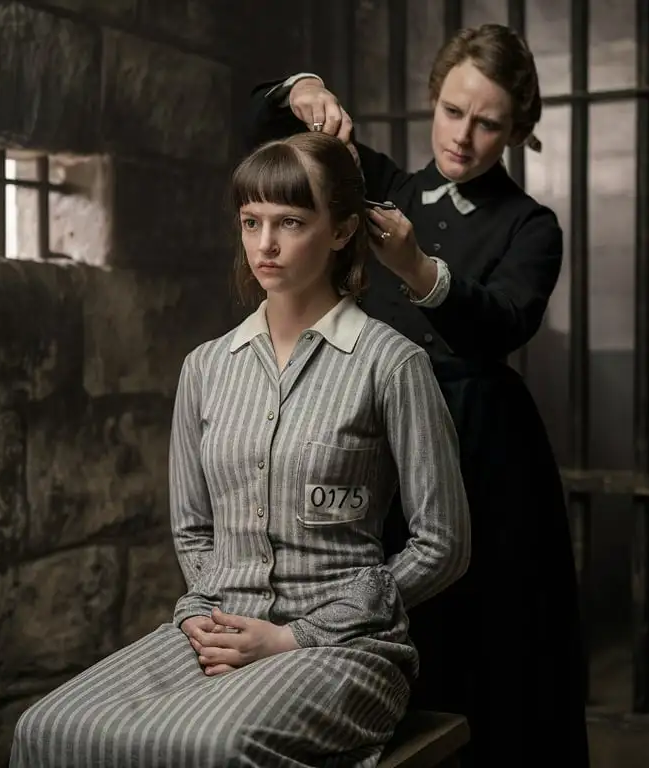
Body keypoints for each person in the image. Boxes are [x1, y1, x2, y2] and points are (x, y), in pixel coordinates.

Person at [9, 131, 471, 768]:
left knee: (213, 748)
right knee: (46, 728)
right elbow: (194, 530)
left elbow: (442, 545)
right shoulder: (205, 368)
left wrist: (296, 634)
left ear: (340, 231)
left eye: (290, 222)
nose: (266, 245)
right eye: (251, 222)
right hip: (218, 628)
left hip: (343, 648)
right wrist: (212, 615)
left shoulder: (391, 365)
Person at [243, 23, 589, 766]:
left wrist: (418, 267)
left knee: (498, 648)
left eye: (489, 121)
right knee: (391, 629)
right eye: (453, 110)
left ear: (518, 131)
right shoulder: (384, 185)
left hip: (485, 453)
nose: (463, 136)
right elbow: (262, 139)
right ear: (433, 98)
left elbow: (504, 324)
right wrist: (300, 89)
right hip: (382, 442)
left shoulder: (532, 225)